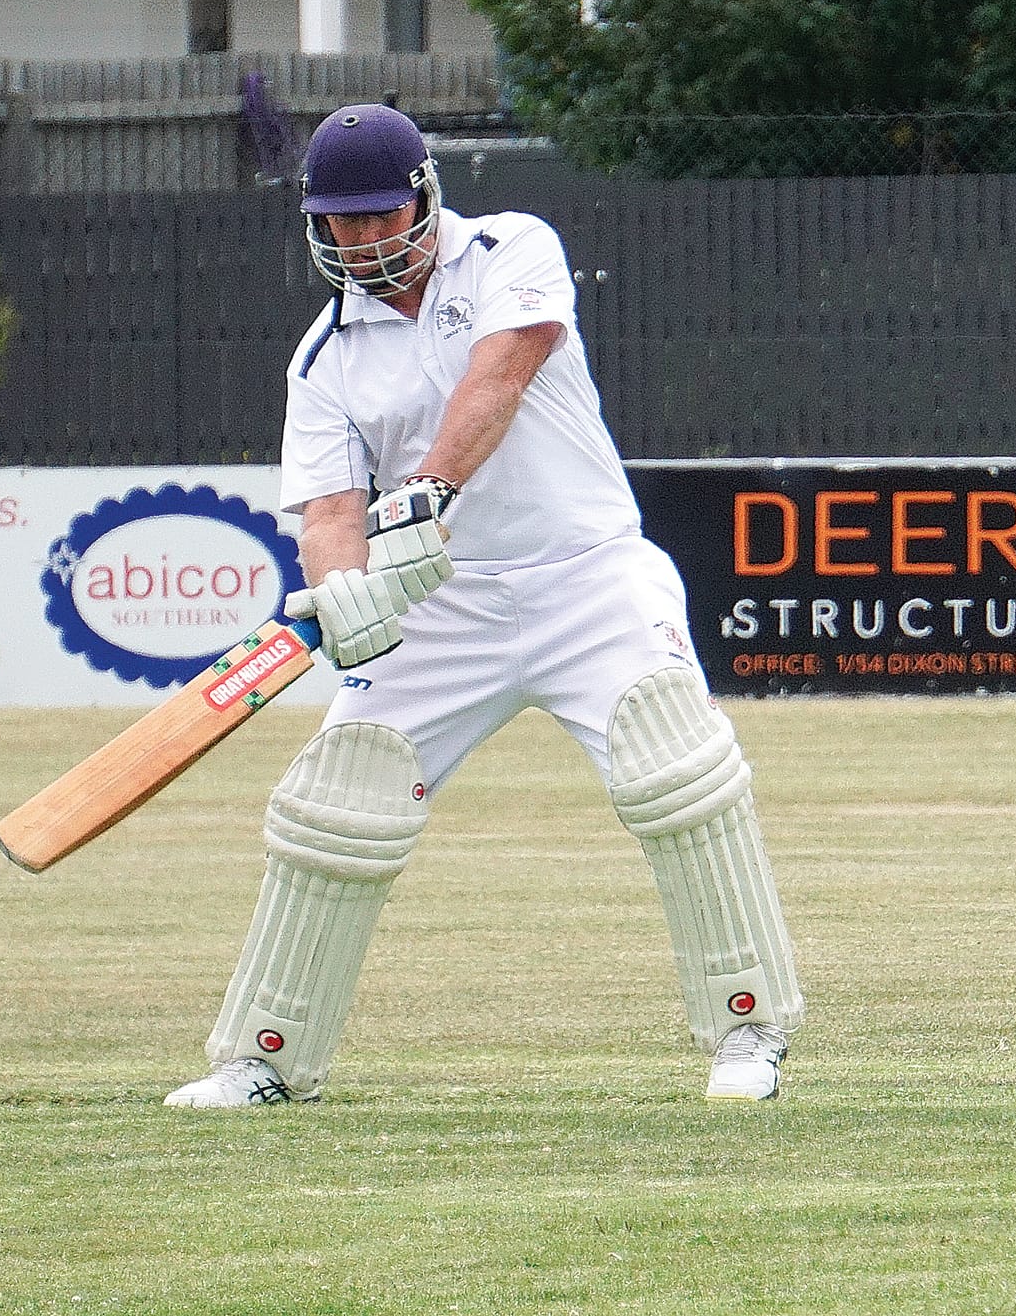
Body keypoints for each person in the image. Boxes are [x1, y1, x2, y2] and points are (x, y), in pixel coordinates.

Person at [164, 103, 803, 1108]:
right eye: (341, 221)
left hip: (586, 573)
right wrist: (345, 596)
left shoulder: (512, 250)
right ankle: (262, 1062)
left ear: (422, 197)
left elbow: (501, 373)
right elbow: (330, 513)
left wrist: (424, 494)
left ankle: (745, 1037)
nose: (361, 238)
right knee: (339, 798)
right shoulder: (322, 359)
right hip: (440, 610)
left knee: (671, 767)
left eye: (379, 214)